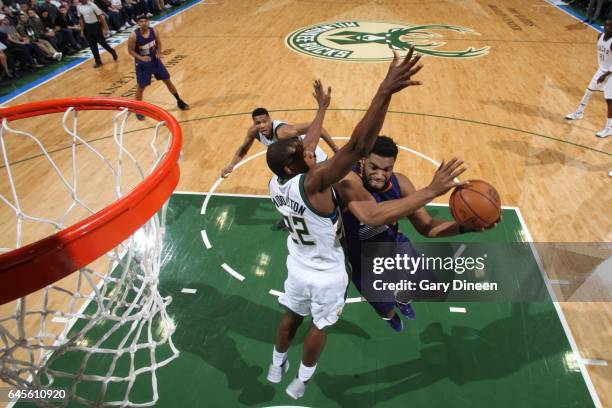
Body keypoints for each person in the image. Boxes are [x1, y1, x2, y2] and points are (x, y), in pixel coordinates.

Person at [265, 47, 423, 399]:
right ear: (295, 167)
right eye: (300, 152)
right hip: (326, 272)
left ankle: (276, 364)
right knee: (319, 327)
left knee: (290, 318)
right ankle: (301, 381)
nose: (308, 149)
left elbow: (306, 145)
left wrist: (321, 108)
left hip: (297, 263)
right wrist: (383, 92)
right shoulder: (316, 182)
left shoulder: (277, 182)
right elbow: (357, 145)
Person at [336, 136, 495, 332]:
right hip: (362, 262)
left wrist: (464, 226)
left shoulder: (400, 184)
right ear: (363, 161)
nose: (379, 174)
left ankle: (403, 302)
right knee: (385, 307)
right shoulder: (348, 181)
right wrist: (431, 191)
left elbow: (427, 226)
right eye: (374, 167)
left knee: (414, 287)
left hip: (395, 248)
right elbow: (371, 215)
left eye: (386, 169)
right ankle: (390, 317)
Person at [127, 15, 189, 120]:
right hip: (143, 64)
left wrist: (159, 52)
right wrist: (141, 58)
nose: (143, 23)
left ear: (148, 22)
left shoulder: (154, 31)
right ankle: (138, 109)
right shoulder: (133, 35)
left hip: (155, 61)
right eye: (141, 21)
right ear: (138, 23)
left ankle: (179, 101)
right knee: (141, 87)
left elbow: (159, 43)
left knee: (167, 80)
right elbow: (130, 50)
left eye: (145, 21)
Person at [566, 18, 612, 138]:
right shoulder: (600, 36)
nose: (607, 27)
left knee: (609, 100)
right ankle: (579, 113)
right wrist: (602, 72)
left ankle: (609, 128)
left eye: (610, 26)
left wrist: (605, 75)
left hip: (610, 73)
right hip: (601, 70)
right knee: (588, 91)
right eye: (606, 25)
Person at [77, 0, 117, 68]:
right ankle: (98, 61)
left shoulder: (92, 5)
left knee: (102, 43)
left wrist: (105, 28)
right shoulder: (78, 6)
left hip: (96, 25)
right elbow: (81, 19)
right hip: (87, 27)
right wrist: (82, 30)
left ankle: (112, 51)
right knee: (92, 45)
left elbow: (101, 17)